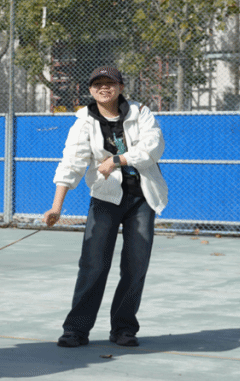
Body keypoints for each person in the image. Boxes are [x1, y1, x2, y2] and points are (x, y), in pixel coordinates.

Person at [44, 66, 167, 348]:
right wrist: (56, 207)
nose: (104, 88)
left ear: (121, 87)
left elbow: (153, 146)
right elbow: (71, 162)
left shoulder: (140, 112)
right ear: (90, 90)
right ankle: (76, 329)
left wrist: (117, 160)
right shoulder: (84, 121)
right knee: (94, 264)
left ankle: (123, 328)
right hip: (106, 198)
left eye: (110, 83)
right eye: (97, 83)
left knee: (136, 265)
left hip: (142, 198)